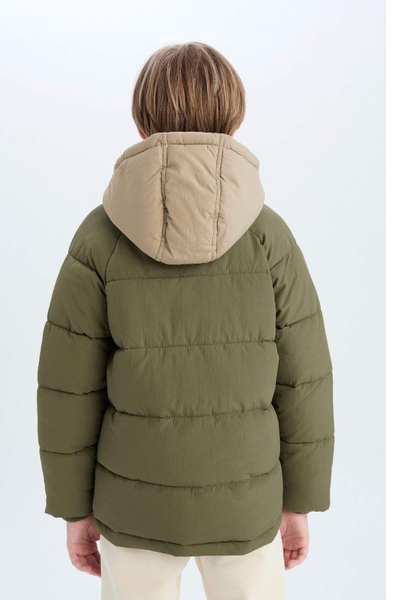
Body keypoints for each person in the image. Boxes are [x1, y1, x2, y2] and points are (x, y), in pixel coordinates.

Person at [36, 41, 335, 600]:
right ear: (234, 118)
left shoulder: (99, 238)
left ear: (141, 122)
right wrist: (300, 500)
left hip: (134, 504)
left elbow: (67, 390)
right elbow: (305, 380)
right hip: (247, 502)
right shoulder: (269, 236)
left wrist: (75, 510)